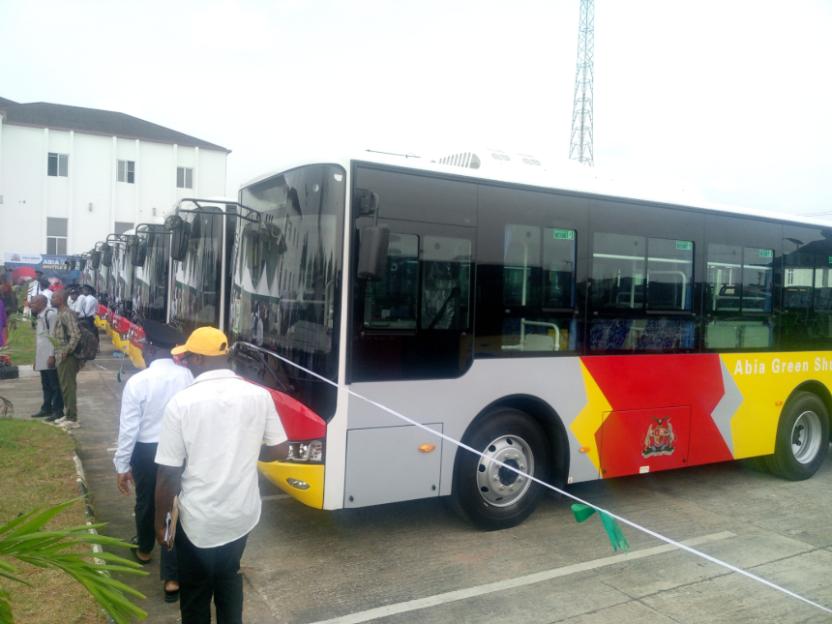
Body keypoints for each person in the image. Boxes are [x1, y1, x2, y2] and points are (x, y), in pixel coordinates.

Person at [154, 327, 287, 624]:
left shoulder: (181, 403)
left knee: (196, 591)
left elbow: (168, 474)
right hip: (242, 514)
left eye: (188, 357)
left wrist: (161, 524)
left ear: (201, 359)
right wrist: (250, 451)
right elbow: (280, 449)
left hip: (199, 519)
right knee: (229, 574)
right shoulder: (259, 395)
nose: (186, 363)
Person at [114, 320, 193, 603]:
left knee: (146, 500)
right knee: (171, 505)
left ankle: (145, 549)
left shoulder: (138, 382)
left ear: (148, 348)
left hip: (146, 451)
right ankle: (171, 577)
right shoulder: (186, 377)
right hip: (177, 449)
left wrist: (122, 465)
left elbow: (129, 429)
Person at [51, 289, 82, 430]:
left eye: (54, 297)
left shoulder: (66, 314)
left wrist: (67, 351)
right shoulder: (60, 313)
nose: (51, 299)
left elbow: (75, 335)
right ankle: (69, 414)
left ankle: (72, 419)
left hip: (67, 357)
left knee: (69, 387)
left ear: (61, 299)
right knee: (65, 387)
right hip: (60, 355)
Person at [29, 294, 64, 420]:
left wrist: (51, 356)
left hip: (50, 356)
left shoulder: (50, 315)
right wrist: (37, 359)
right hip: (42, 356)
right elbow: (40, 340)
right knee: (46, 384)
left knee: (55, 385)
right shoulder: (40, 316)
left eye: (33, 303)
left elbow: (53, 337)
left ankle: (58, 410)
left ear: (41, 303)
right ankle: (46, 408)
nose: (31, 305)